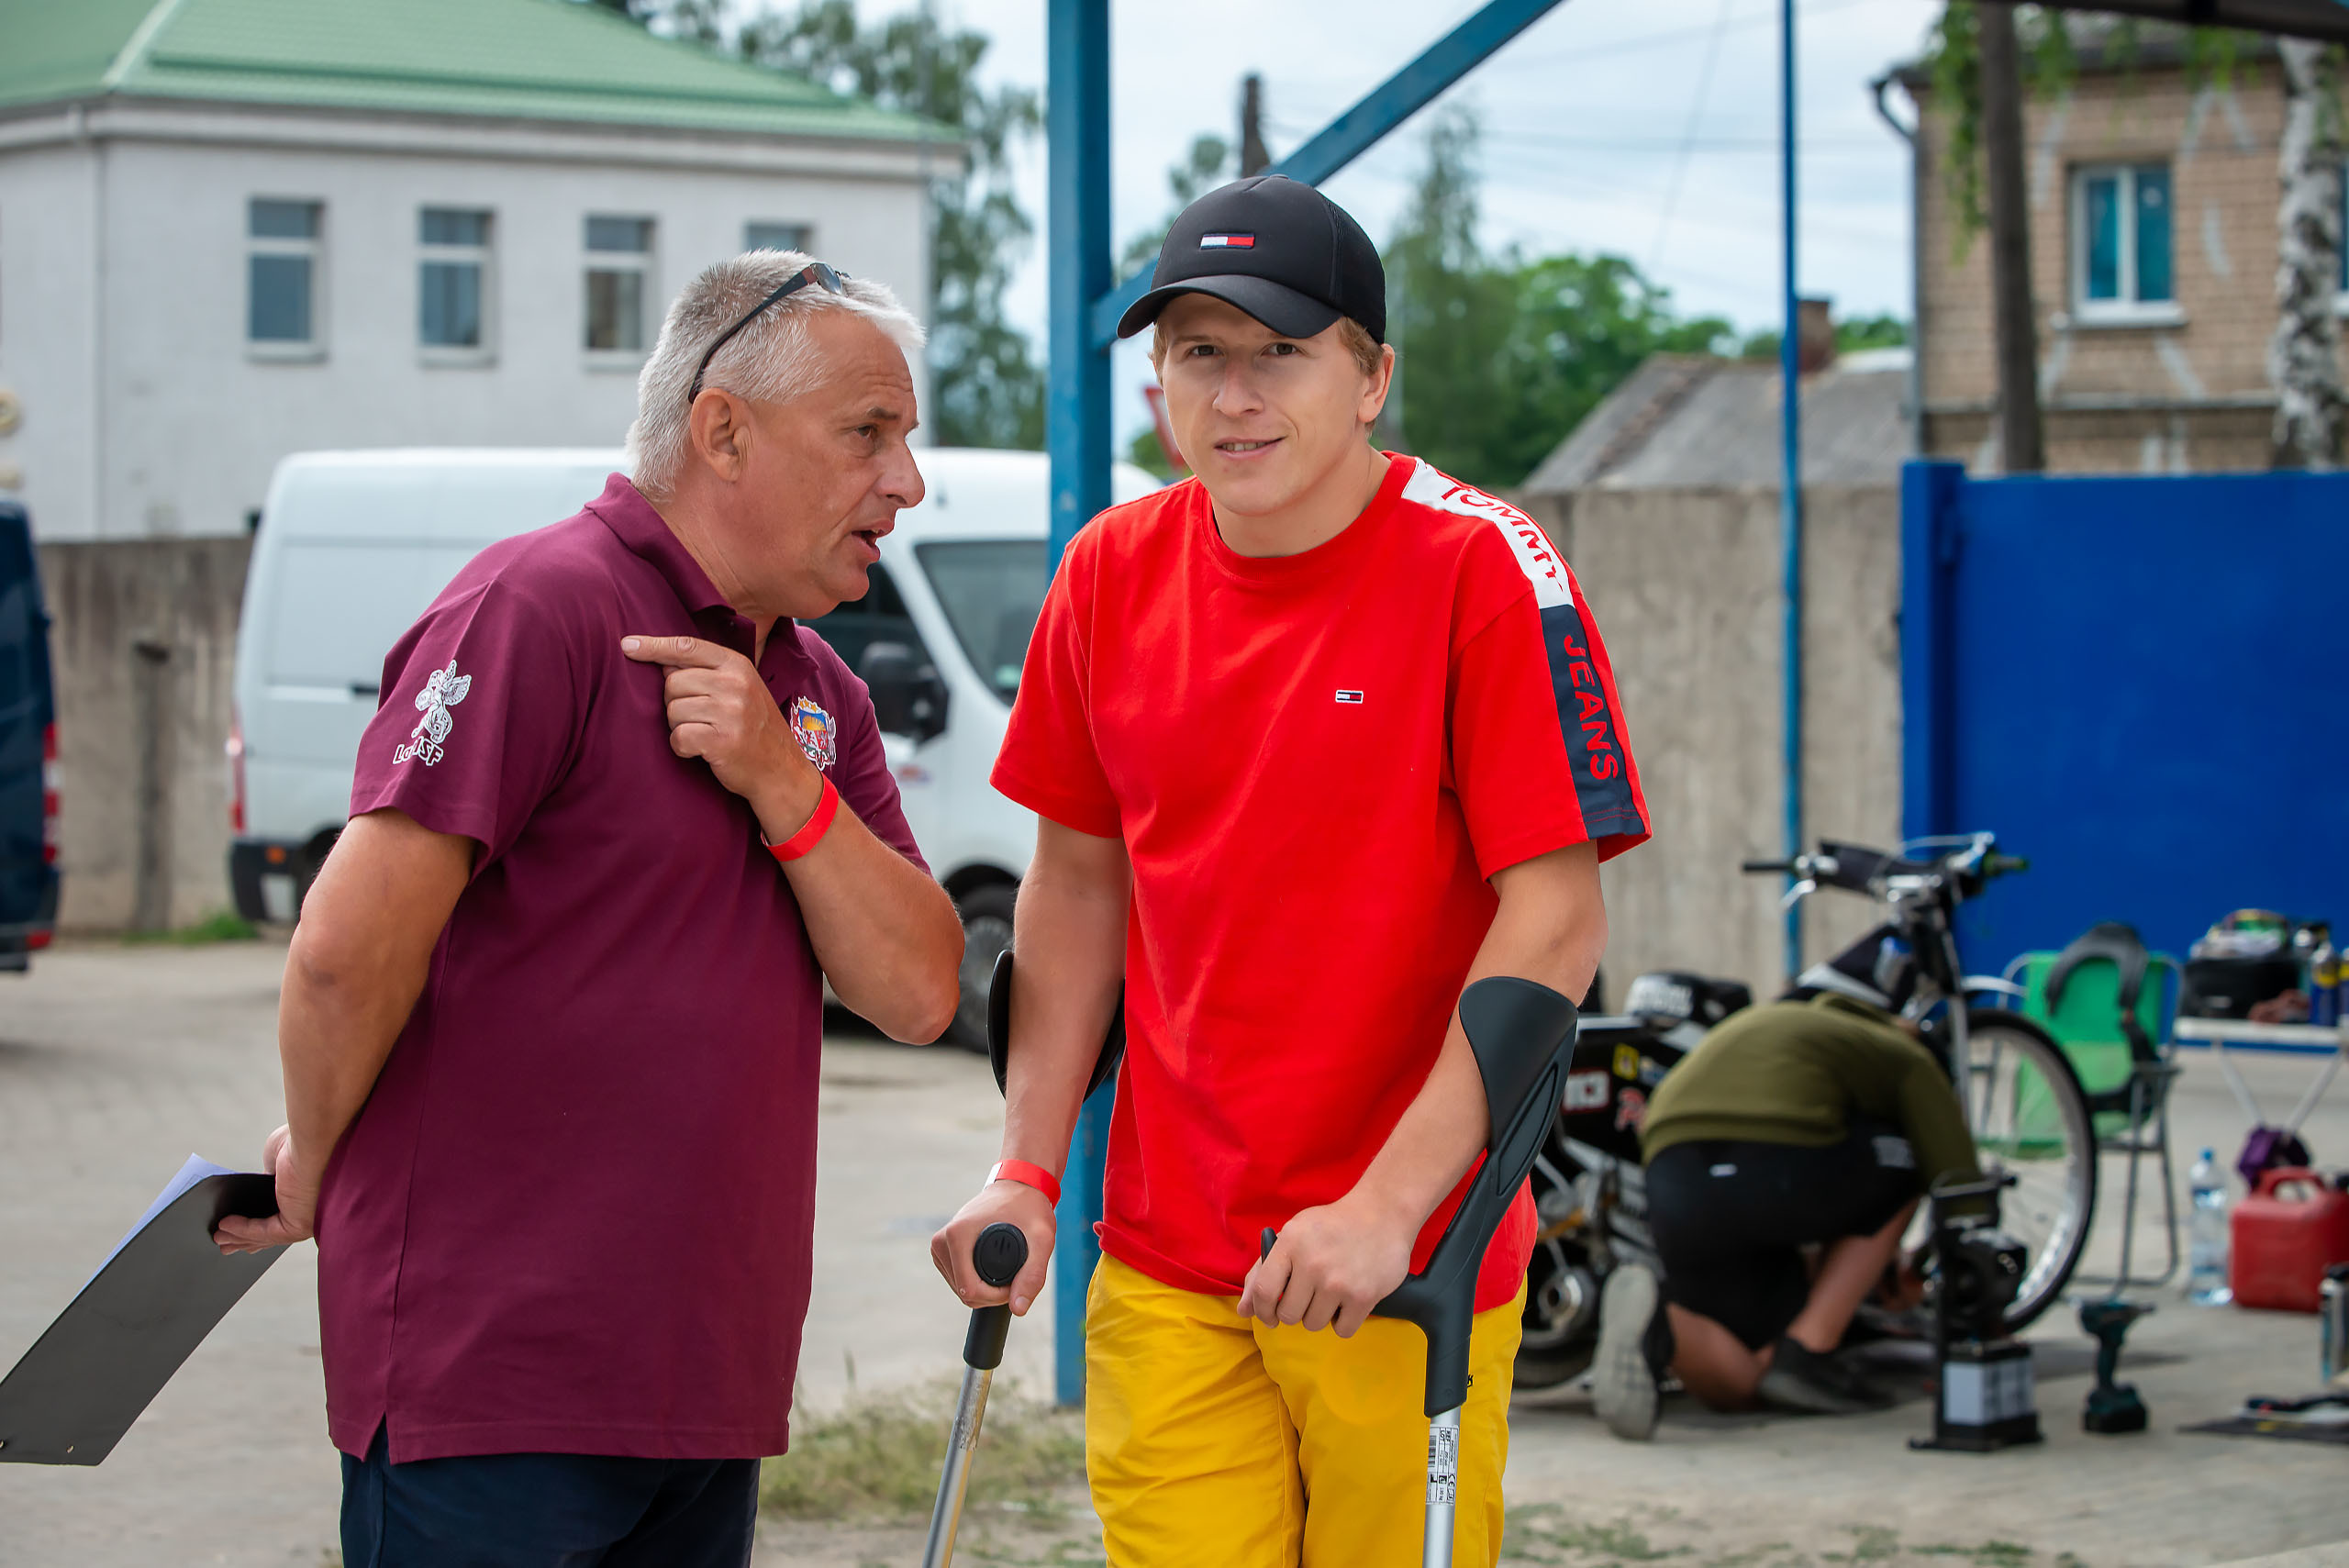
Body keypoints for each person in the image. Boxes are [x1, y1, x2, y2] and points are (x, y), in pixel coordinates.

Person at [929, 175, 1649, 1568]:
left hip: (1400, 1256)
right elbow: (1076, 889)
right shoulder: (1108, 577)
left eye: (1281, 350)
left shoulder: (1484, 572)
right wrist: (1025, 1166)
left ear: (1373, 376)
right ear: (1156, 385)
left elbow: (1556, 917)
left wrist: (1384, 1211)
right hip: (1164, 1252)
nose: (1237, 393)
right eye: (1200, 351)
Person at [213, 251, 964, 1568]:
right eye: (868, 434)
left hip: (704, 1394)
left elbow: (917, 992)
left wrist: (783, 784)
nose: (905, 480)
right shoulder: (539, 607)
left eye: (905, 440)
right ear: (721, 428)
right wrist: (323, 1165)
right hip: (494, 1398)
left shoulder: (813, 690)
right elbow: (340, 954)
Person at [1590, 928, 1981, 1440]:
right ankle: (1811, 1347)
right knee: (1908, 1160)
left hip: (1674, 1177)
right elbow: (1957, 1181)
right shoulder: (1900, 1049)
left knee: (1754, 1375)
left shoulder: (1771, 1024)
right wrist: (1950, 1264)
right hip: (1767, 1166)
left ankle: (1660, 1323)